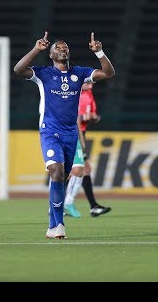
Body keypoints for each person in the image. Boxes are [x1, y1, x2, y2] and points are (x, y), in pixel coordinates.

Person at [14, 31, 115, 239]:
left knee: (63, 178)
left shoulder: (79, 73)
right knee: (56, 171)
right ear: (51, 55)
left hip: (71, 134)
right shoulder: (43, 74)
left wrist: (100, 52)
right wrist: (36, 49)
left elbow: (108, 73)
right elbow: (18, 69)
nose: (62, 49)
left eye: (65, 47)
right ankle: (57, 225)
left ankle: (54, 219)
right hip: (50, 131)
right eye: (57, 48)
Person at [64, 81, 112, 218]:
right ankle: (64, 204)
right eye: (88, 82)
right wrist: (81, 142)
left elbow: (88, 116)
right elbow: (77, 119)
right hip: (75, 135)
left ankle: (91, 206)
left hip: (79, 133)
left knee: (81, 170)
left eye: (93, 82)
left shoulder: (87, 94)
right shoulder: (78, 95)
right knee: (77, 170)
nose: (91, 84)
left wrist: (94, 117)